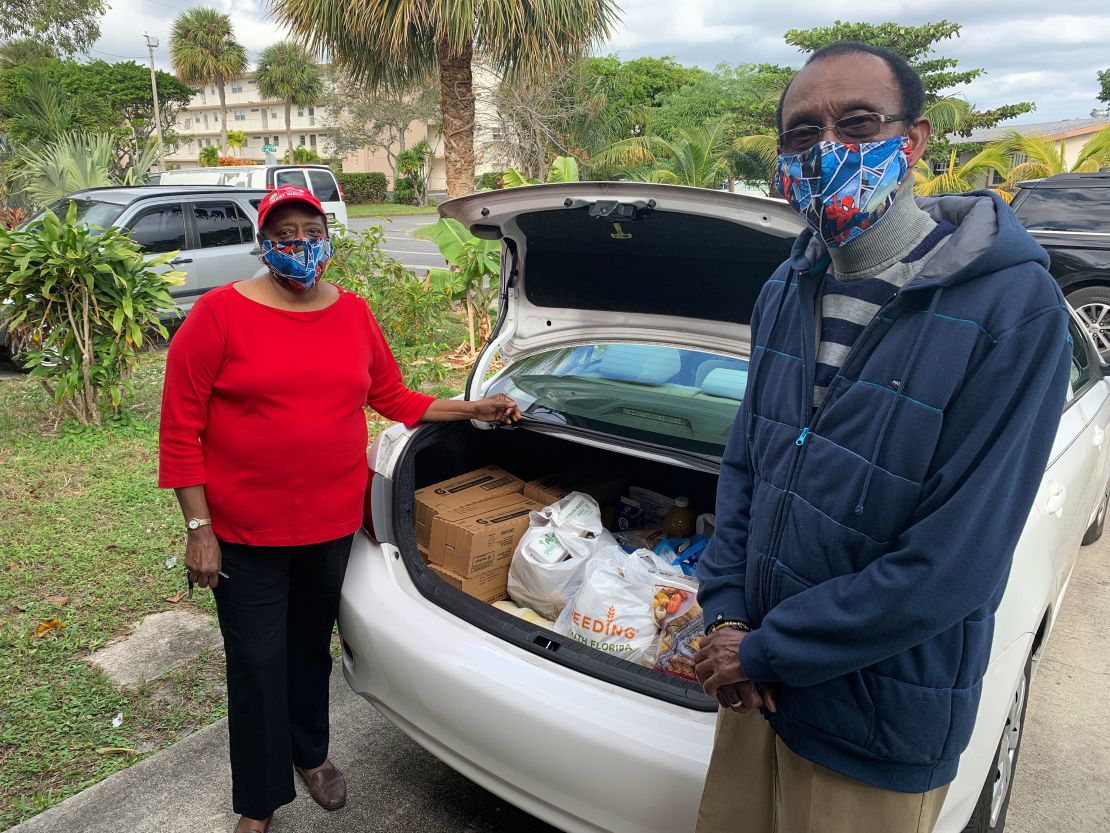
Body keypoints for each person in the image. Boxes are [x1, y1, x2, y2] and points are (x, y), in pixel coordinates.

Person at [693, 42, 1072, 833]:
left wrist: (763, 649)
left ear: (917, 139)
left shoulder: (1012, 308)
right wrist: (726, 617)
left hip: (872, 723)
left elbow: (952, 564)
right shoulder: (787, 283)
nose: (827, 149)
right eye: (801, 135)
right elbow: (746, 465)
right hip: (754, 689)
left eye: (857, 123)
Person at [158, 185, 520, 833]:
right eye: (285, 232)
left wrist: (473, 408)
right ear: (265, 242)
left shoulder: (352, 313)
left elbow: (393, 395)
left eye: (311, 230)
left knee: (310, 649)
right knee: (256, 664)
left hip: (329, 526)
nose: (300, 244)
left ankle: (311, 753)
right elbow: (180, 428)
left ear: (327, 237)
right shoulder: (217, 315)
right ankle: (259, 800)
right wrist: (198, 529)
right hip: (244, 533)